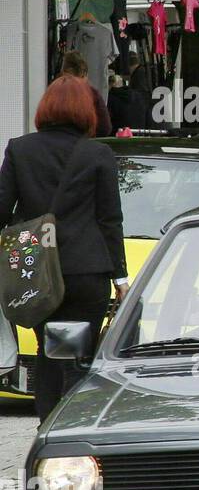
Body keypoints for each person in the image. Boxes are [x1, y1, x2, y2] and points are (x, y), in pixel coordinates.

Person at [0, 76, 128, 420]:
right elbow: (109, 220)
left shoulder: (19, 149)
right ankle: (74, 425)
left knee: (49, 350)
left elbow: (1, 210)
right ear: (86, 111)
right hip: (86, 271)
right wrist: (120, 276)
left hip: (37, 274)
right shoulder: (99, 153)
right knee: (77, 354)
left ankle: (48, 427)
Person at [59, 51, 112, 137]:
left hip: (58, 143)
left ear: (63, 72)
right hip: (85, 143)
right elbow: (105, 128)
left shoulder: (55, 92)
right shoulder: (92, 94)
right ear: (85, 74)